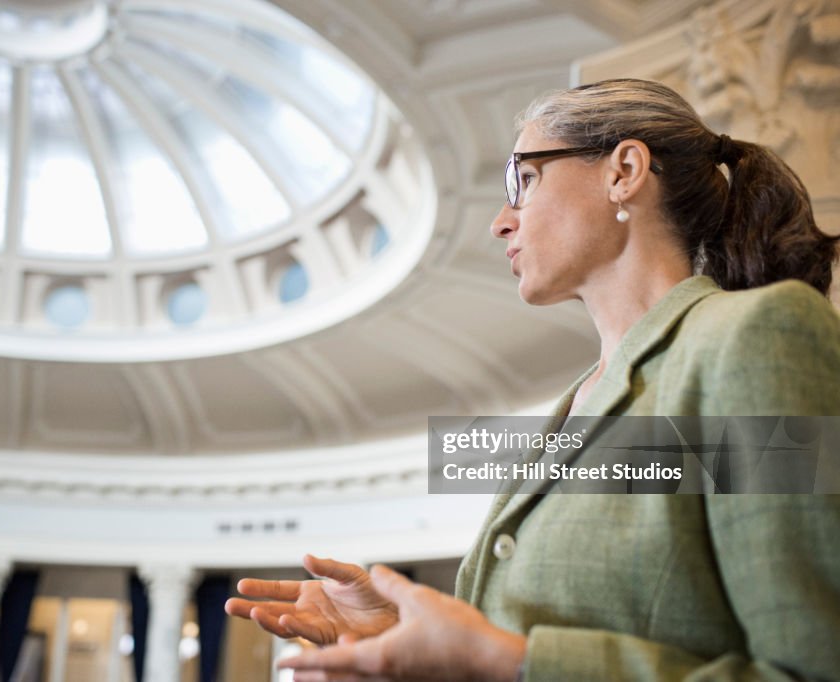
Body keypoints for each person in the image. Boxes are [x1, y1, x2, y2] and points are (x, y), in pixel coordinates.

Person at [224, 78, 840, 681]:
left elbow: (815, 665)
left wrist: (504, 660)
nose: (500, 222)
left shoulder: (758, 336)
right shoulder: (571, 405)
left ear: (623, 171)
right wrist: (403, 637)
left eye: (523, 179)